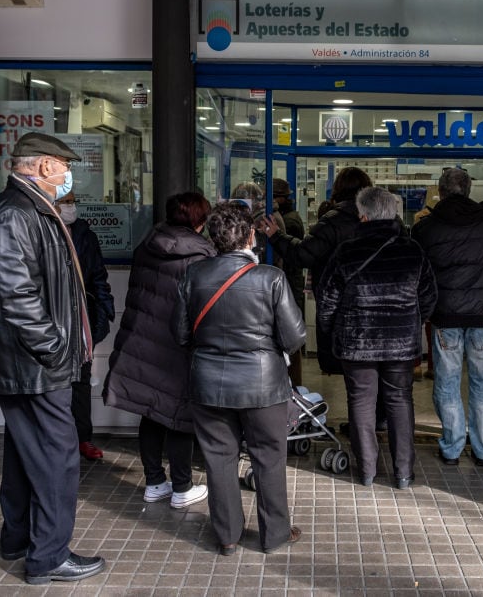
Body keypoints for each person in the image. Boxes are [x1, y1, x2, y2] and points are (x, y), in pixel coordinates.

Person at [0, 132, 105, 584]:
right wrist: (56, 350)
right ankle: (48, 556)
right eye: (65, 166)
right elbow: (18, 296)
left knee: (26, 452)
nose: (68, 175)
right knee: (55, 457)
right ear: (45, 166)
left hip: (30, 363)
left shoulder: (30, 210)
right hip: (35, 364)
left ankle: (18, 539)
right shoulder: (16, 215)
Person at [175, 201, 306, 555]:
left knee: (219, 459)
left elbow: (181, 334)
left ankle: (228, 536)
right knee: (269, 458)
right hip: (264, 387)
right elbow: (294, 339)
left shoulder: (193, 275)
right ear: (250, 236)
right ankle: (275, 534)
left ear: (215, 238)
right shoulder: (271, 278)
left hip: (208, 383)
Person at [316, 187, 438, 488]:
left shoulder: (346, 251)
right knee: (399, 400)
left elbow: (327, 300)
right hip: (400, 344)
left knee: (361, 401)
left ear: (363, 215)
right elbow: (429, 297)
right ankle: (404, 473)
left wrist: (334, 330)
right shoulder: (413, 250)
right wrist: (408, 321)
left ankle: (367, 470)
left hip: (357, 342)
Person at [103, 192, 214, 509]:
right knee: (179, 414)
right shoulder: (198, 259)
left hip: (141, 341)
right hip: (173, 346)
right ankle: (181, 488)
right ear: (199, 222)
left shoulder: (147, 246)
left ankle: (154, 482)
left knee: (151, 412)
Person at [411, 168, 483, 467]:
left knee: (447, 380)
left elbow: (420, 273)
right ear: (469, 189)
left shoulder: (426, 227)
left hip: (445, 314)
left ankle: (452, 446)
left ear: (440, 191)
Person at [261, 166, 372, 376]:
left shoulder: (332, 221)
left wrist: (276, 236)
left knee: (355, 382)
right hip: (377, 315)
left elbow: (302, 254)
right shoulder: (383, 220)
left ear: (338, 189)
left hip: (338, 309)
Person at [56, 191, 115, 461]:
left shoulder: (84, 234)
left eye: (72, 201)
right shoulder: (43, 229)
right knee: (57, 384)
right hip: (54, 319)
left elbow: (98, 276)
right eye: (66, 202)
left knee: (81, 381)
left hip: (83, 319)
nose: (71, 207)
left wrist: (105, 312)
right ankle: (59, 441)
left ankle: (83, 438)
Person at [273, 178, 306, 386]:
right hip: (290, 283)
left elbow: (288, 253)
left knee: (290, 344)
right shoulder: (288, 217)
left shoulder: (289, 221)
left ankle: (294, 387)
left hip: (290, 283)